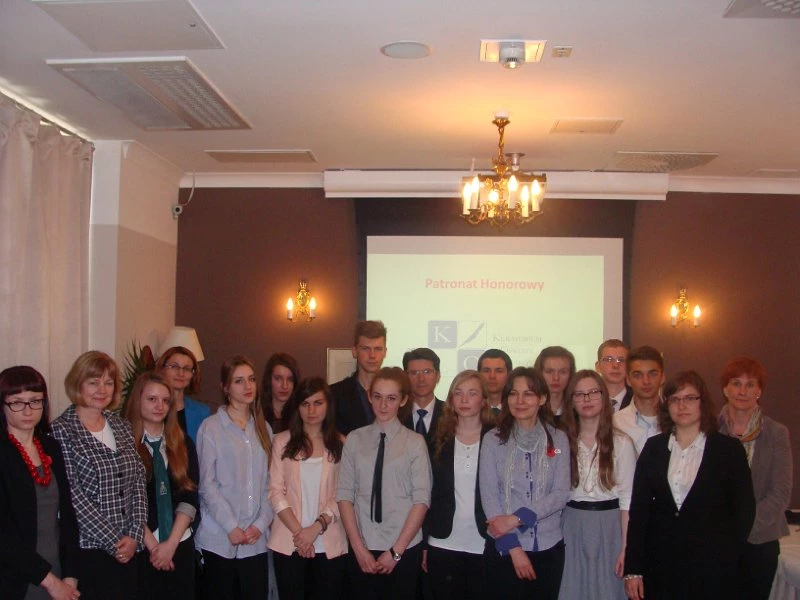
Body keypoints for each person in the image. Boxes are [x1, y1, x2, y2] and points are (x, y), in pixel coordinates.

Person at [623, 371, 755, 600]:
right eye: (675, 399)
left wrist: (727, 554)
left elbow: (744, 511)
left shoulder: (728, 450)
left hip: (713, 569)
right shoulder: (653, 448)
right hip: (661, 567)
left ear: (703, 402)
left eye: (690, 398)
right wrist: (633, 568)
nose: (682, 405)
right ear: (667, 405)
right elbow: (639, 512)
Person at [51, 351, 147, 600]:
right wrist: (116, 541)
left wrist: (135, 535)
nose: (102, 390)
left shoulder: (121, 425)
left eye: (108, 382)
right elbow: (73, 496)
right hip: (90, 552)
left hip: (130, 549)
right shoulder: (61, 430)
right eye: (93, 382)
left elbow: (138, 481)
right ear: (78, 384)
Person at [336, 367, 431, 600]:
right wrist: (358, 549)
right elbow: (344, 495)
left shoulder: (415, 442)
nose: (383, 405)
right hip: (362, 544)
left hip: (403, 547)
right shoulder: (355, 439)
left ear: (403, 400)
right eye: (377, 396)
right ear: (369, 396)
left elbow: (421, 500)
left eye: (391, 398)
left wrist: (396, 552)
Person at [479, 367, 570, 600]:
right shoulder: (492, 440)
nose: (520, 401)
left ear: (542, 398)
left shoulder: (558, 439)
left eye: (528, 394)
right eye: (513, 394)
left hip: (549, 547)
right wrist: (515, 549)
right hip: (505, 547)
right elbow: (490, 497)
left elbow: (560, 493)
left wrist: (516, 518)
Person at [195, 355, 273, 600]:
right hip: (219, 538)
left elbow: (270, 485)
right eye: (239, 381)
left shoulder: (264, 429)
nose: (247, 386)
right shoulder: (211, 428)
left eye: (251, 379)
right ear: (225, 388)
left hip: (255, 541)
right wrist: (231, 526)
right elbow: (207, 485)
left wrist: (259, 525)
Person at [0, 366, 80, 600]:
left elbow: (68, 515)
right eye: (17, 402)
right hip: (16, 578)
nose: (28, 410)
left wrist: (71, 574)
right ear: (2, 405)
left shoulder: (50, 446)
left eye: (35, 401)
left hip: (57, 569)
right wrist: (50, 582)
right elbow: (4, 534)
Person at [717, 357, 792, 599]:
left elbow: (780, 492)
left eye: (750, 384)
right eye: (736, 383)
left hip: (761, 542)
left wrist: (744, 527)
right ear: (725, 389)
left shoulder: (777, 433)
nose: (742, 391)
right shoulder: (709, 431)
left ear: (759, 391)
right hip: (718, 542)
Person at [559, 370, 635, 600]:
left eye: (593, 392)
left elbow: (628, 502)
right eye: (579, 394)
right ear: (571, 401)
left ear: (604, 397)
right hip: (571, 525)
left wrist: (626, 548)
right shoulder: (561, 442)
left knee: (607, 590)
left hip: (610, 527)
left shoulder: (622, 442)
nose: (587, 399)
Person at [268, 377, 347, 599]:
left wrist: (315, 528)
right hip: (289, 541)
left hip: (329, 541)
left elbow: (342, 494)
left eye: (318, 403)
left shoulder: (341, 443)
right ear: (297, 407)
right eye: (305, 404)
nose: (311, 410)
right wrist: (300, 534)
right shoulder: (281, 441)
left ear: (328, 405)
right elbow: (275, 491)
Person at [123, 372, 199, 600]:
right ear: (138, 400)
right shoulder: (124, 444)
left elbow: (189, 496)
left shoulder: (183, 443)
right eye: (152, 399)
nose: (160, 406)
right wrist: (155, 548)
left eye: (166, 401)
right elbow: (126, 499)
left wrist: (171, 545)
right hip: (142, 545)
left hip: (179, 543)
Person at [423, 370, 494, 600]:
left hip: (484, 541)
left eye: (472, 393)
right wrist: (424, 543)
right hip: (442, 541)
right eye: (458, 393)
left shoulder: (497, 438)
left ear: (483, 400)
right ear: (451, 400)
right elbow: (428, 494)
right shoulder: (436, 439)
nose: (464, 399)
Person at [332, 321, 388, 436]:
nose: (372, 355)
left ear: (385, 352)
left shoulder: (397, 394)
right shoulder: (334, 394)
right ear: (354, 351)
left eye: (378, 349)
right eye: (366, 349)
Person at [612, 345, 664, 456]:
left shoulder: (677, 419)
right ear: (628, 380)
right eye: (638, 375)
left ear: (663, 377)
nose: (646, 381)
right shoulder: (616, 423)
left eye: (652, 374)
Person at [157, 346, 210, 445]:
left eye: (186, 369)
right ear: (162, 369)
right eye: (174, 366)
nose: (181, 373)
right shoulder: (151, 409)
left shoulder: (202, 413)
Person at [402, 348, 445, 444]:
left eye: (427, 372)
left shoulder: (450, 413)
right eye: (414, 373)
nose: (421, 379)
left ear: (438, 376)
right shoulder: (396, 413)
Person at [533, 346, 575, 423]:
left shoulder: (577, 410)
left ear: (571, 374)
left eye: (563, 372)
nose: (556, 378)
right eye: (549, 371)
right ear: (539, 372)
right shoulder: (529, 410)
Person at [261, 353, 300, 435]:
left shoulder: (301, 413)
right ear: (269, 380)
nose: (284, 386)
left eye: (290, 379)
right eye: (278, 378)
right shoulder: (256, 412)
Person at [595, 339, 632, 412]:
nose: (615, 365)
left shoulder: (638, 400)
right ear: (598, 366)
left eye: (621, 360)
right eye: (609, 360)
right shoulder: (588, 400)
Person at [477, 349, 511, 416]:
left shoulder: (518, 409)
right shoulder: (469, 410)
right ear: (478, 374)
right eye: (486, 371)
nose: (492, 376)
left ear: (509, 374)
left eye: (499, 371)